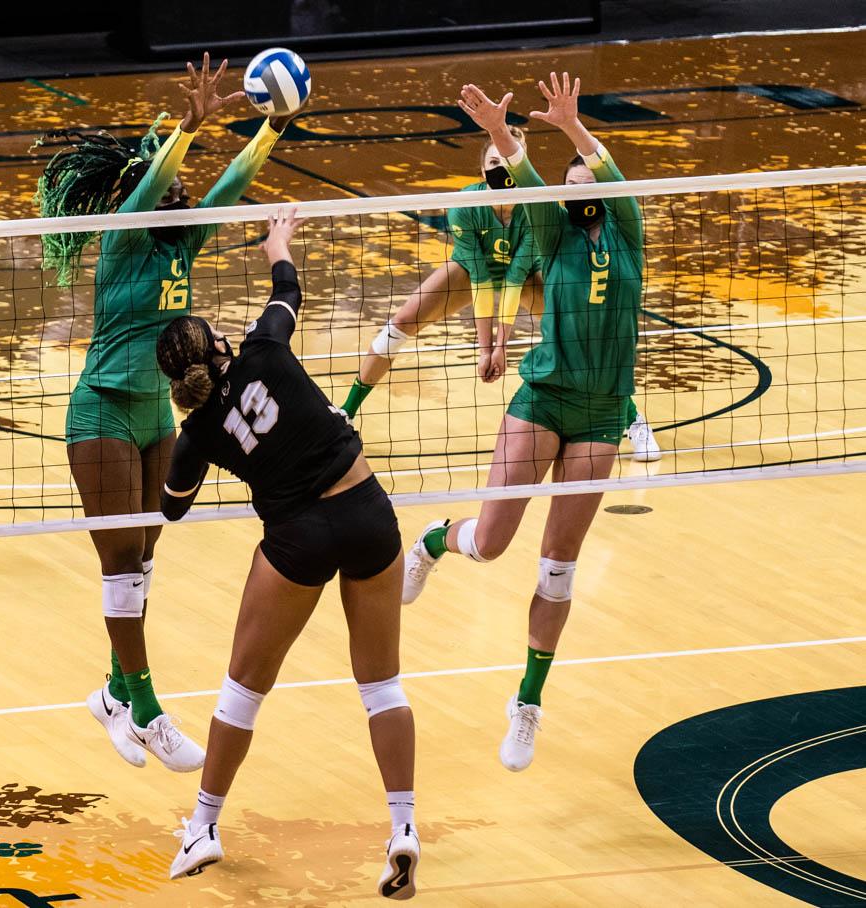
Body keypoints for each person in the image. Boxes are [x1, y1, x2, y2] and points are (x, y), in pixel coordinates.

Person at [35, 55, 295, 772]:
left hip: (158, 416)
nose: (182, 190)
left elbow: (232, 183)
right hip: (103, 412)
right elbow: (152, 180)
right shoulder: (123, 241)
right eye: (169, 184)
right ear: (140, 197)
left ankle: (115, 693)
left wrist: (271, 127)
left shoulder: (185, 242)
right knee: (121, 564)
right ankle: (145, 709)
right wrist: (184, 127)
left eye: (183, 183)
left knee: (143, 560)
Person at [157, 211, 419, 900]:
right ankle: (402, 827)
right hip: (366, 514)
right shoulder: (265, 350)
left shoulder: (197, 434)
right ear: (219, 343)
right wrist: (278, 244)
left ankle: (204, 827)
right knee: (381, 685)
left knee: (244, 687)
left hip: (298, 538)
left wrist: (186, 442)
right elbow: (287, 289)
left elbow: (172, 506)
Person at [401, 73, 645, 771]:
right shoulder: (553, 230)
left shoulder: (626, 229)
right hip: (544, 398)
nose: (580, 185)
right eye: (568, 182)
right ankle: (433, 543)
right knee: (492, 543)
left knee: (559, 571)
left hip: (603, 413)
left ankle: (527, 705)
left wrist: (573, 125)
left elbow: (606, 169)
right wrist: (500, 133)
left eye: (587, 176)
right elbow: (523, 171)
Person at [339, 135, 659, 460]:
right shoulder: (466, 204)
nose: (501, 169)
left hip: (525, 276)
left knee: (576, 340)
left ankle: (634, 421)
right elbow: (480, 278)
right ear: (482, 168)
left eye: (507, 163)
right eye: (494, 163)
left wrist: (501, 347)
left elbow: (514, 279)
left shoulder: (533, 209)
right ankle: (345, 414)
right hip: (470, 270)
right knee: (402, 322)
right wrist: (485, 350)